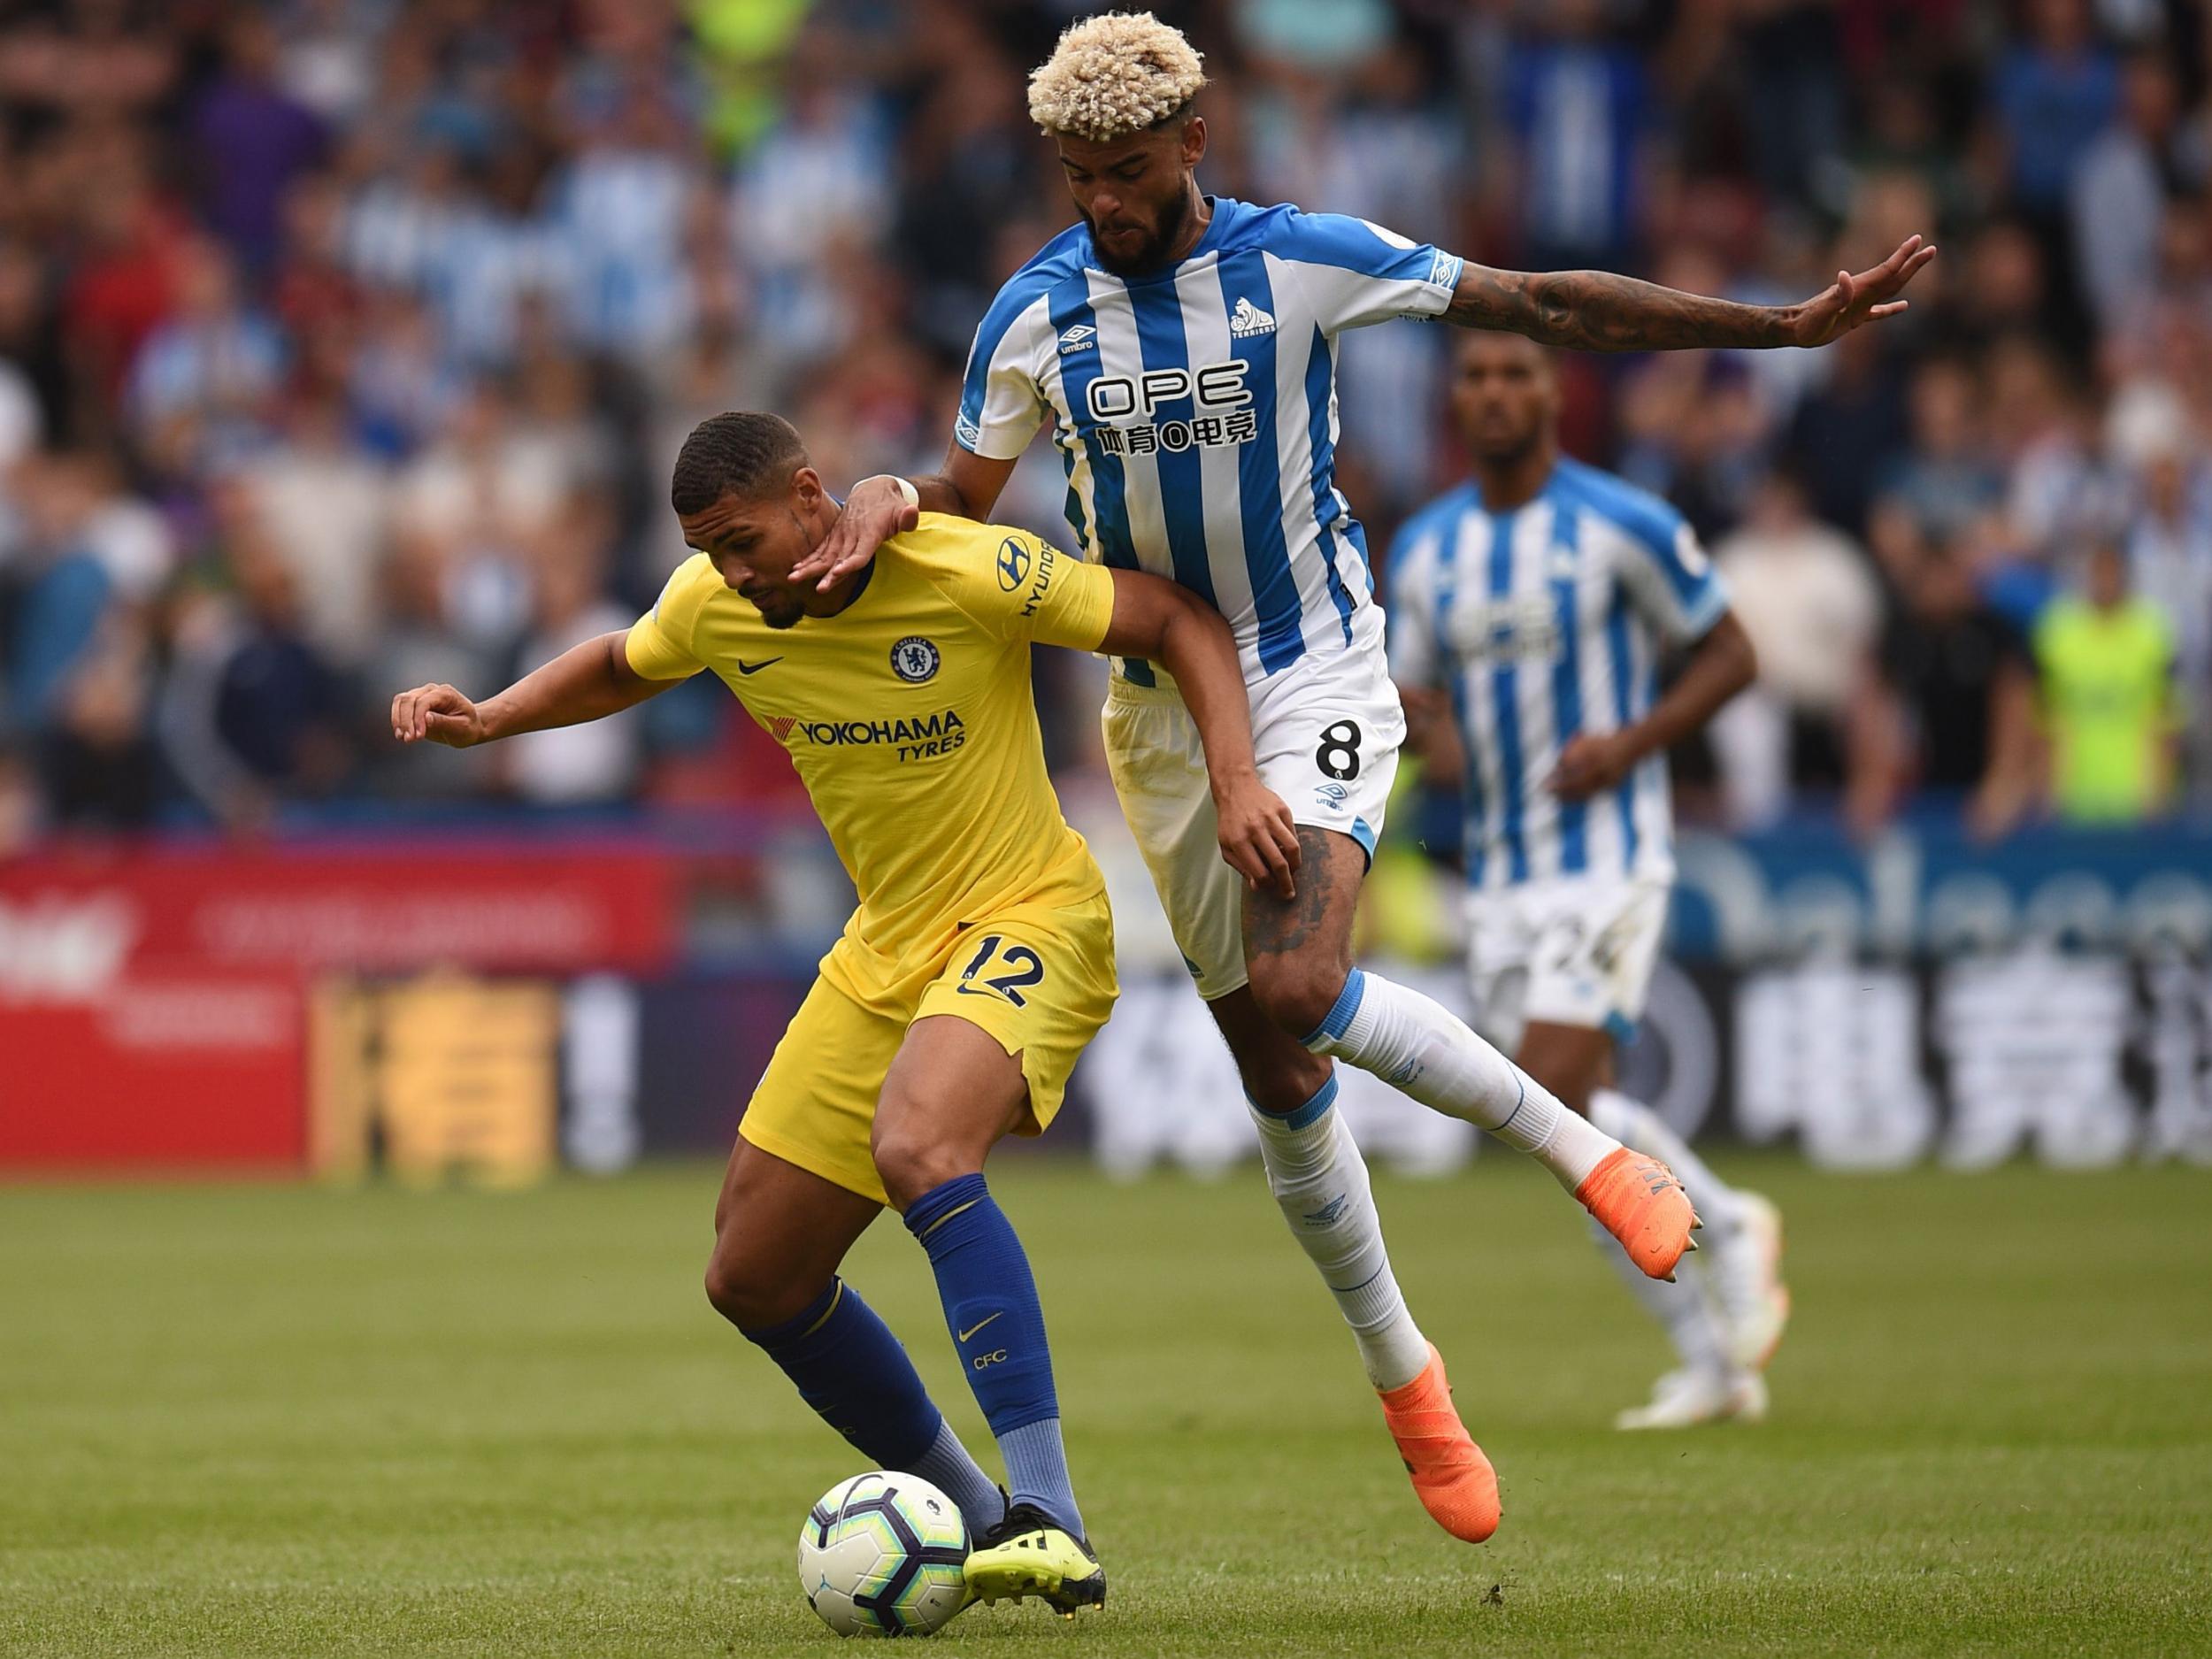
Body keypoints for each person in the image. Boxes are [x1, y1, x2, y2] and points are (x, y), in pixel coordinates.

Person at [800, 11, 1931, 1540]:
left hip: (1314, 663)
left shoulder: (1303, 256)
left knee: (1296, 979)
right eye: (1077, 176)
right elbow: (962, 498)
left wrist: (1777, 327)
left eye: (1127, 171)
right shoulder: (1033, 316)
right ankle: (1406, 1372)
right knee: (1283, 1081)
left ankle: (1590, 1158)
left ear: (1194, 141)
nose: (1102, 202)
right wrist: (883, 492)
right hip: (1156, 711)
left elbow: (1539, 302)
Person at [390, 411, 1302, 1617]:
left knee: (922, 1144)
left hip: (1026, 914)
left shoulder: (962, 566)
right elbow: (627, 658)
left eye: (743, 539)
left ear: (813, 496)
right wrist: (494, 717)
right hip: (884, 950)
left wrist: (1238, 779)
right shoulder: (719, 604)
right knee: (753, 1274)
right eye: (708, 552)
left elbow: (1173, 618)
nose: (731, 571)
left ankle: (1051, 1515)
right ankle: (981, 1520)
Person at [1391, 332, 1787, 1430]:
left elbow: (1731, 654)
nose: (1495, 392)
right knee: (1555, 1129)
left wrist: (1630, 742)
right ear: (1453, 400)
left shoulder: (1623, 523)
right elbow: (1419, 701)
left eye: (1516, 372)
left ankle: (1731, 1221)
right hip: (1501, 872)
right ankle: (1712, 1363)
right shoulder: (1426, 551)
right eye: (1474, 376)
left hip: (1609, 854)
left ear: (1554, 391)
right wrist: (1426, 735)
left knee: (1556, 1095)